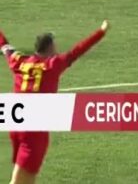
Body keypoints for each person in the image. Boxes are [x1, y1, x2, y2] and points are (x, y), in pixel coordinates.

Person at [0, 21, 109, 184]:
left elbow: (4, 46)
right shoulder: (52, 65)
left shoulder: (19, 61)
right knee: (18, 181)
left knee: (27, 180)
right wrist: (101, 32)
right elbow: (78, 50)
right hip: (34, 130)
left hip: (16, 126)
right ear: (50, 48)